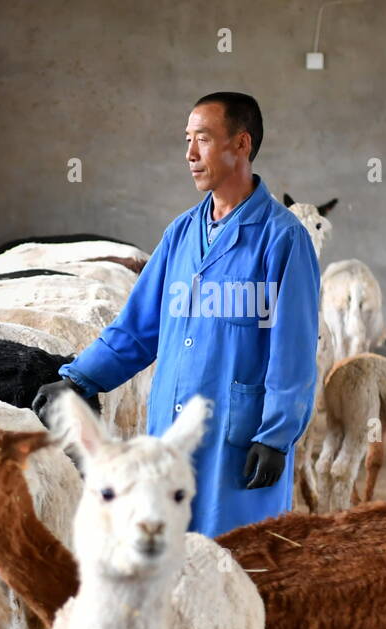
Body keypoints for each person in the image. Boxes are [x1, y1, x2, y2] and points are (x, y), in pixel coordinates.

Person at [31, 92, 321, 538]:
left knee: (240, 565)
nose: (189, 154)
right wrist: (79, 379)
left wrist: (275, 435)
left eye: (202, 139)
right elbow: (139, 328)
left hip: (239, 439)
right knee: (171, 559)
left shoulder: (282, 239)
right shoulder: (181, 234)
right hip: (169, 432)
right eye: (187, 140)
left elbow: (295, 354)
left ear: (241, 144)